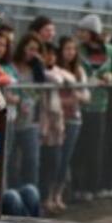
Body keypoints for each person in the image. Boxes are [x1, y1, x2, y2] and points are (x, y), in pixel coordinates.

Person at [74, 15, 112, 201]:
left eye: (83, 31)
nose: (80, 34)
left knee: (95, 148)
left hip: (100, 105)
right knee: (79, 148)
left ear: (92, 33)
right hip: (81, 104)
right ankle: (77, 187)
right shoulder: (77, 51)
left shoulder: (110, 51)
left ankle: (93, 187)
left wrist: (109, 76)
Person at [51, 36, 89, 212]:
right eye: (67, 49)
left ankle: (58, 194)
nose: (71, 52)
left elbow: (86, 95)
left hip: (74, 119)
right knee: (55, 157)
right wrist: (69, 100)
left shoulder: (79, 71)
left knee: (65, 158)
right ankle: (49, 195)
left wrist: (77, 97)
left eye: (73, 49)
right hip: (57, 119)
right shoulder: (54, 69)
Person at [10, 33, 46, 192]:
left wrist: (40, 65)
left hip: (29, 120)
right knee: (10, 161)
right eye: (30, 48)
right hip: (11, 119)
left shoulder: (36, 67)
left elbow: (40, 91)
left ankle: (31, 193)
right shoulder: (11, 65)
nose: (33, 53)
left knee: (31, 160)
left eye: (37, 50)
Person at [38, 41, 67, 211]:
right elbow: (50, 77)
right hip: (42, 122)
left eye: (53, 54)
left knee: (55, 162)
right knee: (43, 163)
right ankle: (42, 199)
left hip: (56, 122)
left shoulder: (54, 71)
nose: (50, 57)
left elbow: (61, 79)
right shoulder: (38, 71)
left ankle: (50, 197)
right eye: (46, 54)